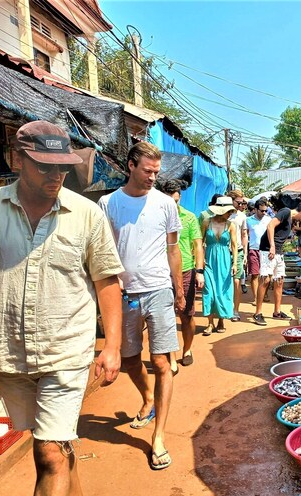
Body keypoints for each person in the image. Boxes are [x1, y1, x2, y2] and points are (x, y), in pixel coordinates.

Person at [0, 121, 123, 496]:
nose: (55, 176)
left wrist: (111, 346)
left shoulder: (86, 215)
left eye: (63, 168)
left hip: (66, 347)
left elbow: (107, 280)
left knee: (47, 452)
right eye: (44, 166)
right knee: (50, 437)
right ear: (16, 160)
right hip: (8, 350)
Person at [99, 141, 184, 472]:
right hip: (125, 295)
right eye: (147, 171)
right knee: (130, 360)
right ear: (131, 166)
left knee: (162, 362)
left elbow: (173, 250)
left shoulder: (165, 204)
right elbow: (102, 251)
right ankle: (147, 398)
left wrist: (178, 290)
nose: (152, 177)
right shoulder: (109, 204)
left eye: (157, 172)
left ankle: (158, 437)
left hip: (160, 290)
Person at [253, 198, 301, 325]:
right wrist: (272, 246)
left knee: (279, 280)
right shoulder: (285, 212)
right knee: (265, 279)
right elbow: (270, 225)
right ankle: (258, 313)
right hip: (268, 249)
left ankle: (277, 311)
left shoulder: (291, 219)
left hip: (278, 252)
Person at [169, 189, 205, 367]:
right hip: (161, 272)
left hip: (186, 270)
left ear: (180, 198)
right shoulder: (156, 216)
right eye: (169, 200)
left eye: (175, 201)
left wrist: (199, 271)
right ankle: (170, 356)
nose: (172, 204)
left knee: (186, 314)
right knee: (165, 316)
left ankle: (187, 349)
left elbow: (198, 245)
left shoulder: (189, 217)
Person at [201, 196, 238, 335]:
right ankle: (210, 323)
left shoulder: (231, 225)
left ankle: (221, 319)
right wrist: (200, 260)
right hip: (209, 260)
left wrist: (235, 263)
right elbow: (200, 242)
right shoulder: (206, 222)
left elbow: (234, 245)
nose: (230, 214)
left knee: (223, 292)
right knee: (209, 291)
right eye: (228, 211)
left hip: (224, 262)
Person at [227, 189, 249, 322]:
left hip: (239, 251)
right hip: (224, 251)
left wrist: (245, 254)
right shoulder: (223, 214)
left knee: (236, 281)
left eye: (243, 203)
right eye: (239, 202)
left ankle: (235, 310)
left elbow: (244, 235)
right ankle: (225, 308)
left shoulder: (242, 216)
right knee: (225, 282)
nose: (241, 205)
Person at [246, 197, 271, 302]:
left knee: (266, 275)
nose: (264, 212)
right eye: (262, 210)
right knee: (255, 274)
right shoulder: (248, 220)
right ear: (255, 210)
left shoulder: (269, 220)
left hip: (266, 250)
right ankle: (256, 298)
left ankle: (264, 293)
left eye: (266, 210)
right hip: (253, 249)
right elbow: (244, 235)